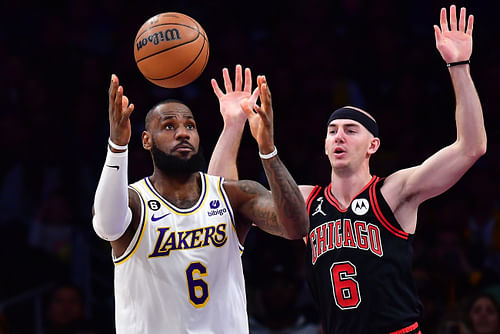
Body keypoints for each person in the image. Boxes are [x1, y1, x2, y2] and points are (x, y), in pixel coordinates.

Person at [208, 5, 486, 333]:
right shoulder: (305, 200)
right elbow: (222, 202)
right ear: (325, 146)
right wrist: (233, 125)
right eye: (332, 130)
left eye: (351, 130)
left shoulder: (393, 191)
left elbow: (471, 147)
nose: (339, 135)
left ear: (373, 146)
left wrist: (459, 66)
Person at [91, 65, 309, 333]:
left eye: (190, 126)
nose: (183, 133)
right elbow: (106, 226)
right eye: (169, 126)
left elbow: (297, 227)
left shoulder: (234, 195)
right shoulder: (135, 202)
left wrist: (267, 149)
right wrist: (117, 146)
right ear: (146, 140)